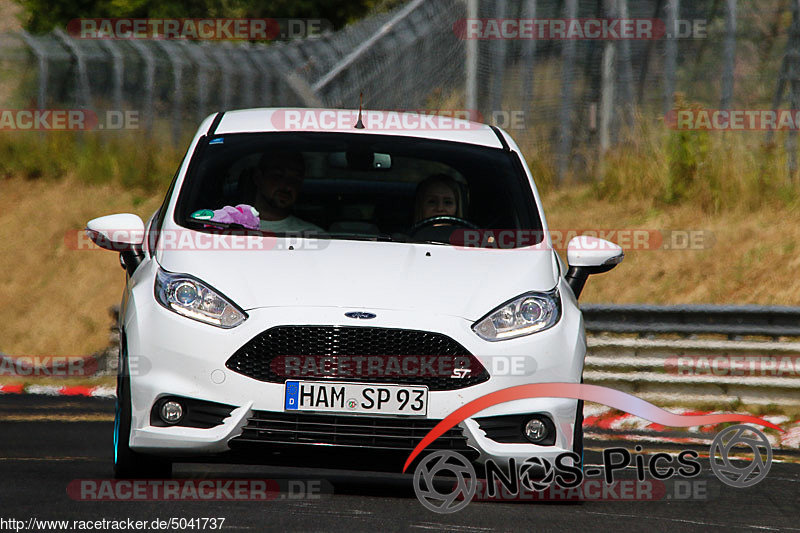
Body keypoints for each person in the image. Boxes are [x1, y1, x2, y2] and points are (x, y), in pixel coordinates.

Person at [252, 150, 323, 233]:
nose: (287, 186)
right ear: (258, 178)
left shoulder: (313, 236)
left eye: (295, 178)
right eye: (278, 175)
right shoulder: (235, 227)